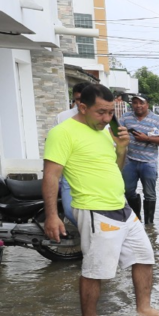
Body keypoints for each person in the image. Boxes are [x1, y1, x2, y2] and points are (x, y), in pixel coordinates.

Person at [41, 83, 159, 316]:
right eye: (101, 112)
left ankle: (144, 309)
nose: (107, 119)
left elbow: (115, 168)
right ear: (82, 107)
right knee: (97, 269)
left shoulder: (107, 131)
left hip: (122, 207)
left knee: (144, 256)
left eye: (110, 112)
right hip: (94, 209)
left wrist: (121, 148)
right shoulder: (63, 133)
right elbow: (51, 175)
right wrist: (51, 215)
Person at [119, 93, 159, 225]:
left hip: (149, 162)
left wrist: (147, 138)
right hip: (129, 160)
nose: (138, 106)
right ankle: (136, 220)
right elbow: (115, 132)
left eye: (141, 103)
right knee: (128, 191)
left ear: (147, 104)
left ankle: (149, 224)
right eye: (135, 103)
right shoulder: (126, 117)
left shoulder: (157, 120)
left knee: (150, 194)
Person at [53, 83, 88, 225]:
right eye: (77, 99)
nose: (79, 103)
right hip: (69, 170)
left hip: (92, 170)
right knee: (69, 210)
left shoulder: (100, 119)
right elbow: (55, 145)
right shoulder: (63, 118)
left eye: (83, 99)